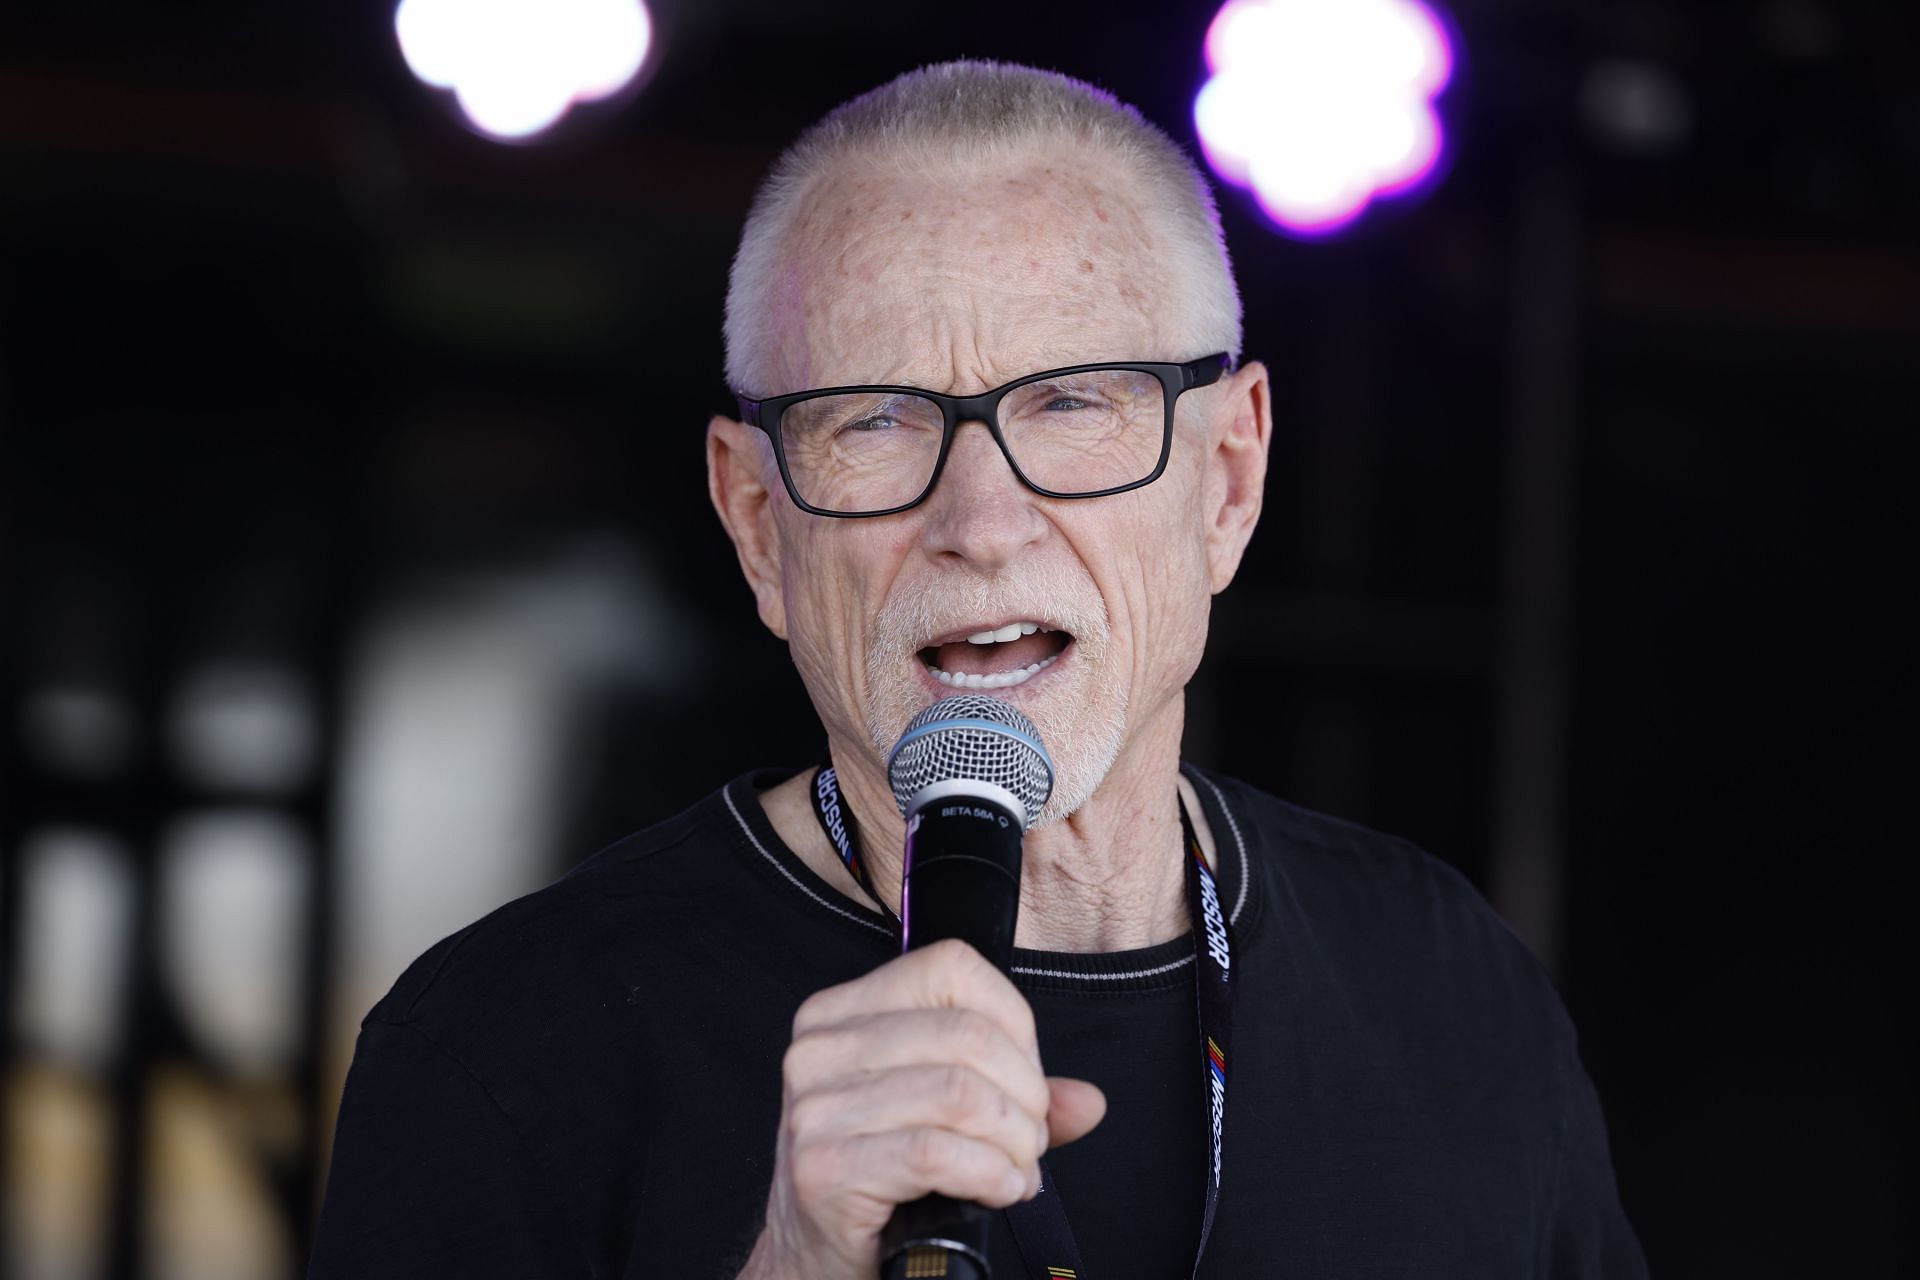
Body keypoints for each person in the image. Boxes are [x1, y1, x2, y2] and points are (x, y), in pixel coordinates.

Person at [309, 61, 1646, 1279]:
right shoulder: (505, 1050)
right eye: (876, 421)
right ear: (760, 525)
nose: (982, 523)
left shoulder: (1447, 988)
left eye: (1073, 403)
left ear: (1228, 481)